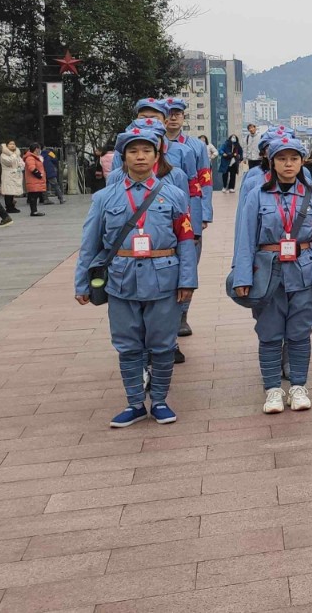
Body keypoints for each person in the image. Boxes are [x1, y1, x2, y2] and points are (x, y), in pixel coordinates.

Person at [74, 121, 197, 427]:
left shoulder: (174, 195)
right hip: (121, 279)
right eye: (133, 151)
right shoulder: (105, 198)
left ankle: (160, 401)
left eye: (146, 151)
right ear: (124, 157)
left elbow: (186, 240)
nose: (140, 156)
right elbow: (90, 243)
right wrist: (82, 283)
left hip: (164, 279)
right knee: (127, 345)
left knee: (163, 344)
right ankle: (134, 403)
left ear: (157, 156)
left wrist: (187, 280)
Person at [231, 138, 312, 414]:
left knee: (300, 332)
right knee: (270, 333)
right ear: (271, 162)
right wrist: (242, 277)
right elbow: (245, 238)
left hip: (305, 271)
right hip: (268, 273)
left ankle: (298, 385)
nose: (288, 164)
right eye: (282, 159)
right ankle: (273, 389)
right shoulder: (257, 195)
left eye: (294, 159)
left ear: (302, 162)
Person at [162, 98, 213, 340]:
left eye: (178, 113)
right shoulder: (152, 145)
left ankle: (182, 314)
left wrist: (204, 214)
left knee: (188, 264)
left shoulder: (195, 146)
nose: (173, 118)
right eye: (169, 113)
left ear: (184, 117)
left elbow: (204, 180)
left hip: (190, 212)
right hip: (160, 214)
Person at [23, 144, 48, 216]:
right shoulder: (30, 158)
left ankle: (34, 210)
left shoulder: (35, 157)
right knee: (33, 196)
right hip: (34, 180)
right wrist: (39, 175)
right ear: (36, 149)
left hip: (35, 180)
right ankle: (34, 211)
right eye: (39, 149)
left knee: (34, 196)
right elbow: (32, 168)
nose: (40, 150)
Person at [0, 141, 22, 214]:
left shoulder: (16, 154)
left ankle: (12, 206)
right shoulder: (3, 155)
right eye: (10, 144)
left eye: (14, 144)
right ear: (7, 146)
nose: (12, 145)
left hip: (15, 175)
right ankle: (8, 207)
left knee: (12, 192)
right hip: (7, 175)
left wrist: (20, 167)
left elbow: (21, 163)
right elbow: (9, 162)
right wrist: (13, 155)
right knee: (8, 192)